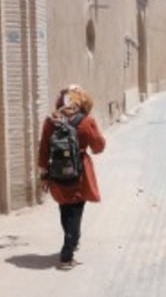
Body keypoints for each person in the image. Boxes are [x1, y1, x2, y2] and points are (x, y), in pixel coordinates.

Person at [38, 84, 107, 270]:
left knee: (65, 208)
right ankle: (67, 253)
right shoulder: (86, 121)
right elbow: (99, 147)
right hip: (80, 171)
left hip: (56, 172)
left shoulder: (50, 121)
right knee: (76, 209)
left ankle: (72, 240)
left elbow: (44, 149)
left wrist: (44, 175)